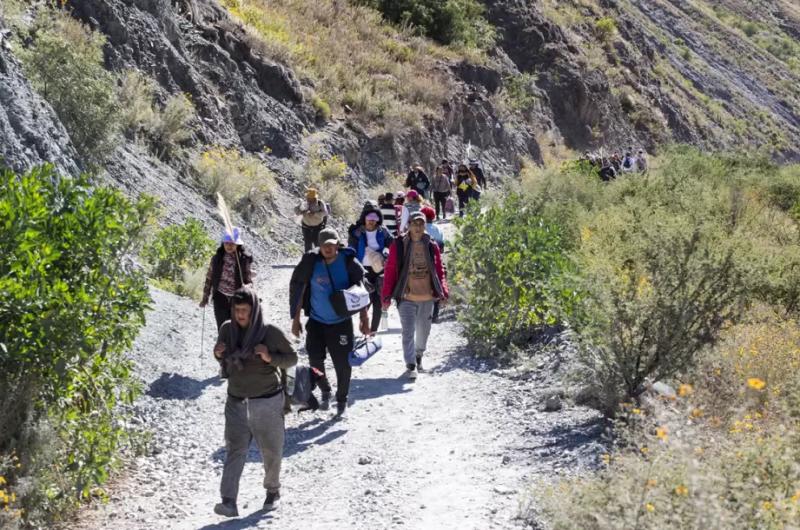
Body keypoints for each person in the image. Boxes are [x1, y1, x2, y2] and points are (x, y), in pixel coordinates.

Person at [212, 287, 298, 518]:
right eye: (237, 310)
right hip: (236, 401)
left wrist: (270, 357)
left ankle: (272, 492)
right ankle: (228, 501)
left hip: (266, 402)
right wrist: (218, 353)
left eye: (245, 311)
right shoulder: (227, 329)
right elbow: (222, 355)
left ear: (255, 310)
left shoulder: (269, 332)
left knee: (271, 451)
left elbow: (292, 358)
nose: (240, 315)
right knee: (234, 450)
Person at [289, 228, 370, 416]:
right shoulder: (311, 262)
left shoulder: (348, 262)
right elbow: (300, 290)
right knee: (315, 360)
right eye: (324, 245)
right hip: (316, 321)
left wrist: (364, 319)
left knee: (342, 364)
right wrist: (296, 319)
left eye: (331, 245)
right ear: (319, 246)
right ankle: (325, 390)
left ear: (337, 245)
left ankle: (341, 400)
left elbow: (361, 293)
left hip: (341, 322)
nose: (328, 248)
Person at [381, 212, 449, 379]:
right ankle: (410, 364)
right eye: (414, 223)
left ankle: (418, 355)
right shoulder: (399, 245)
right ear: (408, 225)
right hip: (406, 296)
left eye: (421, 223)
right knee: (408, 331)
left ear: (425, 225)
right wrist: (386, 296)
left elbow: (440, 271)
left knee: (424, 331)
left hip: (427, 296)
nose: (418, 227)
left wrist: (443, 291)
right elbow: (390, 271)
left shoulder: (431, 245)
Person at [348, 208, 394, 333]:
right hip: (362, 269)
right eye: (369, 219)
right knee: (365, 300)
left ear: (378, 220)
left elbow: (392, 244)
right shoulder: (357, 232)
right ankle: (364, 325)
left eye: (374, 219)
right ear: (364, 219)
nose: (371, 222)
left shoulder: (383, 231)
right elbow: (351, 249)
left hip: (379, 269)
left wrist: (387, 255)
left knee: (378, 301)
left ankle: (373, 331)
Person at [201, 227, 254, 331]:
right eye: (226, 243)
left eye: (232, 243)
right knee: (222, 329)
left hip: (238, 300)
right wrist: (205, 297)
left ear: (237, 244)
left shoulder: (243, 260)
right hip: (220, 298)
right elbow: (209, 278)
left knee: (237, 330)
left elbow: (249, 281)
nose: (229, 246)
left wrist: (246, 287)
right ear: (223, 243)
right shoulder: (217, 259)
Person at [294, 188, 329, 252]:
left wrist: (314, 214)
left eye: (310, 198)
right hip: (306, 227)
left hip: (318, 227)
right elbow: (296, 211)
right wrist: (301, 211)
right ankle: (308, 259)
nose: (308, 199)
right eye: (308, 197)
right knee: (307, 245)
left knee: (317, 244)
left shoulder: (320, 203)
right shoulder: (304, 203)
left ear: (314, 198)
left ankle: (319, 259)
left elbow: (325, 213)